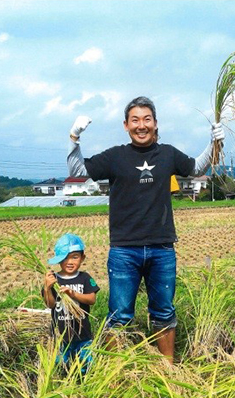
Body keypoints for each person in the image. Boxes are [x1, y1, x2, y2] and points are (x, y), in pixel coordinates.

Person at [66, 96, 225, 364]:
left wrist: (215, 143)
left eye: (147, 119)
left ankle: (168, 370)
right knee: (119, 315)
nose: (142, 125)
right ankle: (117, 373)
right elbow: (78, 171)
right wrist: (74, 137)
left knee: (163, 311)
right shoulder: (116, 156)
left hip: (162, 248)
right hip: (124, 250)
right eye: (135, 120)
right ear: (126, 125)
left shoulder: (168, 154)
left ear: (155, 123)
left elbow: (197, 167)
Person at [42, 233, 100, 374]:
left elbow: (92, 299)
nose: (70, 262)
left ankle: (85, 385)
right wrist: (47, 287)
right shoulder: (53, 279)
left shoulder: (85, 278)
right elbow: (50, 304)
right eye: (65, 257)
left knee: (87, 364)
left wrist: (72, 294)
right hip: (60, 335)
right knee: (61, 365)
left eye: (74, 257)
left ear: (82, 258)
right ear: (58, 260)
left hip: (83, 334)